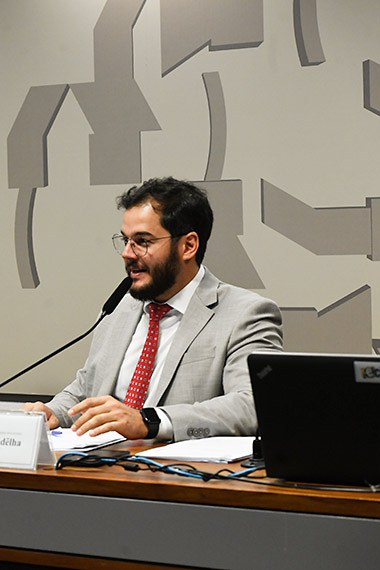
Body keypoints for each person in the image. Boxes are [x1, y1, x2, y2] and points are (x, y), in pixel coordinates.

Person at [24, 177, 282, 441]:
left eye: (142, 241)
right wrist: (55, 412)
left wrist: (149, 421)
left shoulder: (246, 314)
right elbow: (87, 387)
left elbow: (251, 406)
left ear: (188, 246)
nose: (127, 253)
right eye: (125, 240)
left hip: (180, 474)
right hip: (102, 468)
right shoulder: (121, 307)